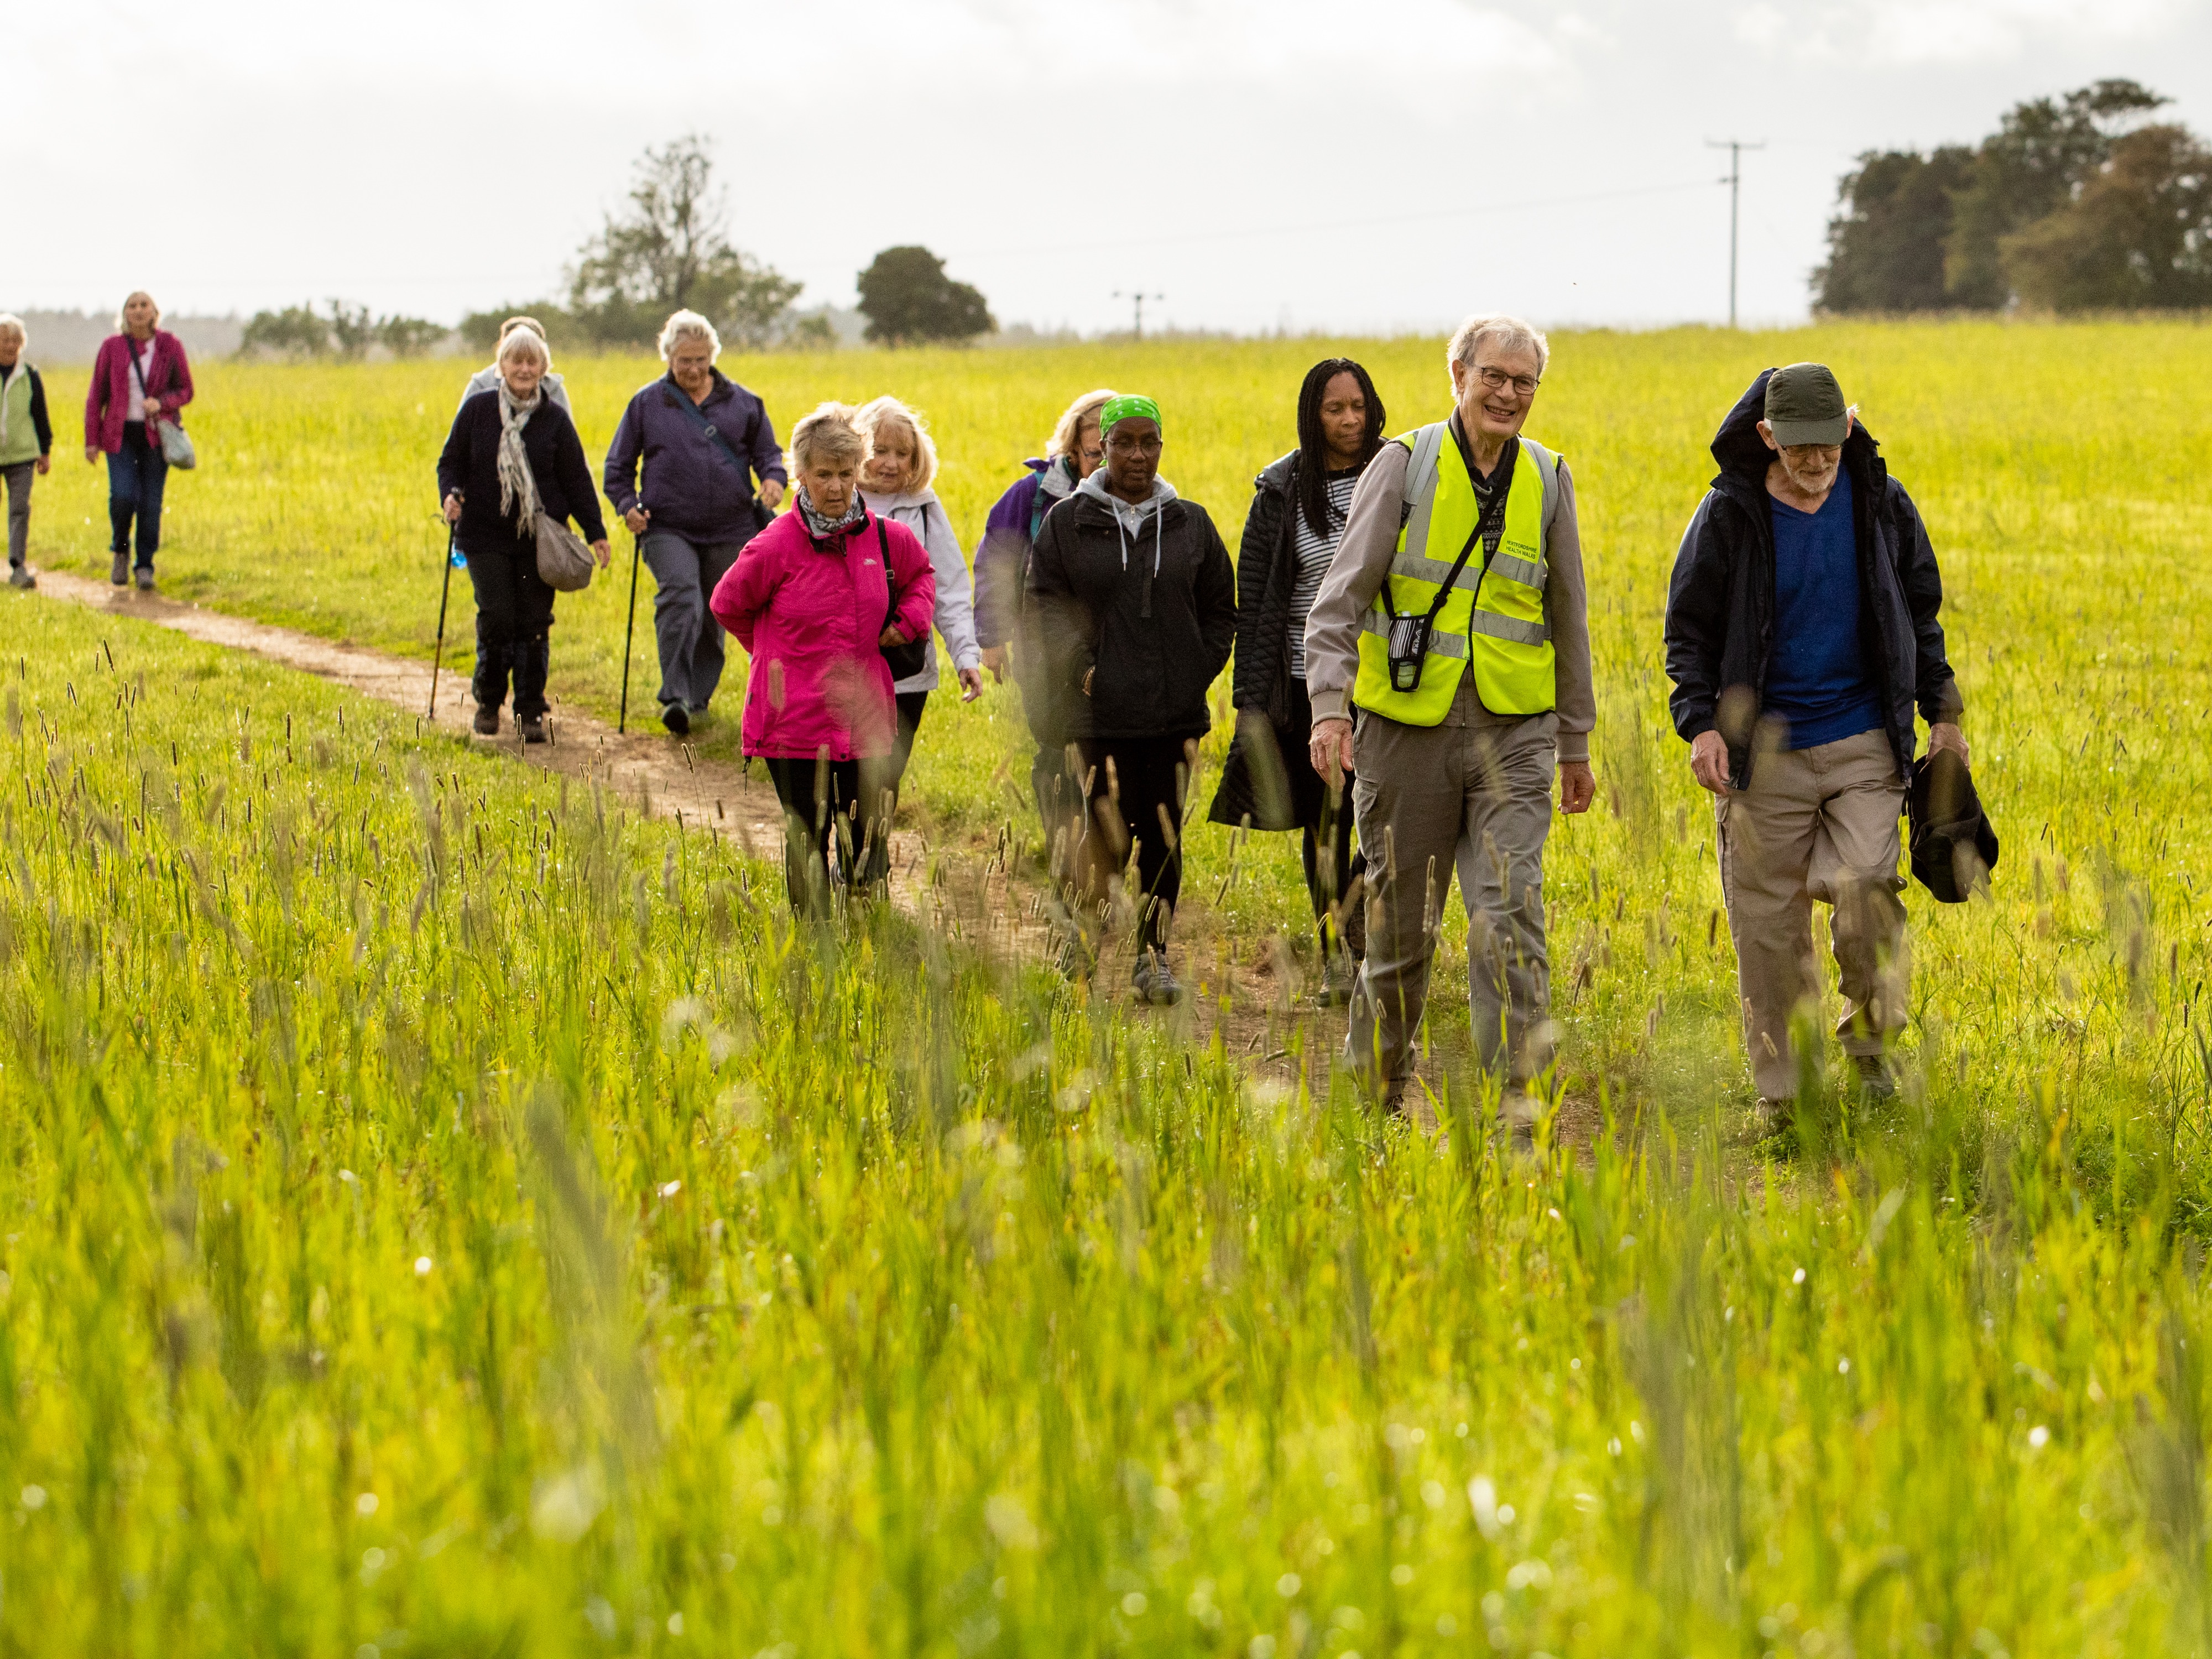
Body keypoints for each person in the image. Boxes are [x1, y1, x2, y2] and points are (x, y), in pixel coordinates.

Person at [1303, 314, 1596, 1133]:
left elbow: (1568, 617)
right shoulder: (1405, 464)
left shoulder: (1548, 475)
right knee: (1402, 935)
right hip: (1407, 733)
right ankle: (1375, 1102)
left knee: (1510, 920)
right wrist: (1330, 711)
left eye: (1524, 381)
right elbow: (1337, 605)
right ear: (1458, 374)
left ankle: (1517, 1106)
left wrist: (1576, 741)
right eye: (1494, 376)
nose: (1508, 393)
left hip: (1516, 732)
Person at [1665, 362, 1966, 1113]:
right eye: (1800, 449)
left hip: (1865, 738)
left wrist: (1946, 713)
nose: (1817, 462)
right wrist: (1700, 725)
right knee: (1769, 931)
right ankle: (1785, 1098)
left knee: (1868, 889)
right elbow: (1689, 633)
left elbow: (1920, 612)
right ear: (1768, 437)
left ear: (1849, 429)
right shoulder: (1730, 515)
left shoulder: (1878, 502)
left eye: (1829, 445)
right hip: (1760, 754)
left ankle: (1872, 1055)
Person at [1027, 394, 1236, 1004]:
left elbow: (1221, 609)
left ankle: (1152, 956)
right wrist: (1081, 670)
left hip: (1172, 719)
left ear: (1161, 448)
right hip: (1095, 717)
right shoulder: (1069, 522)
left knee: (1162, 840)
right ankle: (1082, 942)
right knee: (1094, 833)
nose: (1137, 455)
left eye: (1149, 443)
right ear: (1103, 448)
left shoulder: (1191, 523)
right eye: (1124, 443)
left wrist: (1196, 669)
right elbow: (1043, 603)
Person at [708, 403, 934, 919]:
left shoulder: (885, 538)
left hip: (865, 715)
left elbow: (922, 577)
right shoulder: (774, 546)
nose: (836, 487)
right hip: (792, 720)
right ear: (801, 475)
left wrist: (910, 622)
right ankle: (813, 938)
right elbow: (727, 604)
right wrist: (773, 655)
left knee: (863, 828)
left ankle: (862, 917)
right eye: (824, 475)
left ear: (859, 471)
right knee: (807, 833)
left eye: (846, 474)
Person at [1208, 357, 1385, 1005]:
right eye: (1334, 409)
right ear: (1313, 417)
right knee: (1326, 826)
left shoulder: (1397, 477)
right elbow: (1255, 599)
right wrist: (1253, 699)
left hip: (1391, 683)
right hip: (1309, 685)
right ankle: (1337, 953)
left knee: (1389, 820)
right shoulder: (1281, 491)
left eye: (1358, 407)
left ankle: (1371, 932)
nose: (1348, 420)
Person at [603, 310, 786, 735]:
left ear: (713, 356)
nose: (693, 368)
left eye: (701, 359)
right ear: (667, 356)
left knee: (716, 611)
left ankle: (698, 699)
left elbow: (769, 455)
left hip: (732, 526)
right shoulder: (648, 403)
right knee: (682, 596)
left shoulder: (745, 403)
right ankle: (675, 696)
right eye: (684, 360)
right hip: (668, 526)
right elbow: (618, 467)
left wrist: (774, 481)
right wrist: (628, 505)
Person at [436, 326, 609, 744]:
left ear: (544, 368)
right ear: (503, 366)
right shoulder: (478, 410)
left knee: (533, 622)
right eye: (518, 361)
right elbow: (451, 461)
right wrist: (450, 496)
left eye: (533, 362)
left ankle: (530, 710)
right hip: (483, 533)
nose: (525, 369)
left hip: (539, 537)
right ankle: (488, 703)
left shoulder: (554, 419)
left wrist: (596, 532)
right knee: (497, 617)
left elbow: (576, 479)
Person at [972, 388, 1115, 834]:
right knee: (1055, 749)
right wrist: (993, 639)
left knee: (1110, 752)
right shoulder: (1031, 495)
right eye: (1096, 453)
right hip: (1040, 650)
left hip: (1112, 646)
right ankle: (1065, 852)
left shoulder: (1141, 497)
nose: (1107, 465)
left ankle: (1102, 854)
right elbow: (996, 563)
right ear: (1073, 445)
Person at [854, 395, 985, 786]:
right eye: (879, 451)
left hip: (907, 670)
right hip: (846, 668)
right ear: (858, 449)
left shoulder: (925, 507)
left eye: (903, 453)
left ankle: (873, 848)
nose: (891, 463)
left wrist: (965, 656)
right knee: (844, 777)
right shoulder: (837, 499)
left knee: (885, 780)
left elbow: (950, 588)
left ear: (917, 459)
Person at [84, 291, 193, 591]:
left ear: (155, 311)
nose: (139, 310)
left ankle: (145, 565)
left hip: (156, 437)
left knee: (150, 503)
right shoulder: (112, 347)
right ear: (125, 314)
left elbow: (186, 390)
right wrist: (91, 440)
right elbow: (97, 395)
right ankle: (120, 550)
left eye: (144, 304)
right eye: (132, 305)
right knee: (122, 497)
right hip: (119, 437)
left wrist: (162, 403)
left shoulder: (170, 346)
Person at [0, 316, 53, 590]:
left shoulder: (30, 375)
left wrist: (45, 451)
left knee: (20, 508)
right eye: (4, 339)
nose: (10, 345)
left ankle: (17, 566)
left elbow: (40, 415)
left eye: (15, 340)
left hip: (22, 454)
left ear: (22, 344)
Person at [458, 317, 571, 414]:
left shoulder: (553, 388)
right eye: (517, 358)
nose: (525, 369)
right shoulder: (481, 386)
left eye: (532, 359)